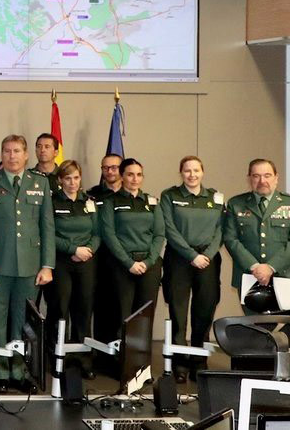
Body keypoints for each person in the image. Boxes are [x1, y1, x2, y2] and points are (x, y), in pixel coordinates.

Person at [0, 135, 54, 392]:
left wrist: (47, 265)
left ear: (26, 155)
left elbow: (47, 227)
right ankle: (0, 372)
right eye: (6, 151)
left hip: (30, 267)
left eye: (17, 151)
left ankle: (19, 371)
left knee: (23, 322)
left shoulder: (40, 184)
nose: (11, 156)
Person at [160, 155, 222, 382]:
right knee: (178, 313)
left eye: (196, 170)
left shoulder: (215, 198)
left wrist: (206, 255)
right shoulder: (170, 196)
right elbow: (169, 228)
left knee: (204, 311)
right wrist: (191, 255)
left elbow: (220, 231)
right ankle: (180, 364)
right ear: (181, 173)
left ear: (203, 172)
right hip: (179, 259)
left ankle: (199, 362)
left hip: (207, 260)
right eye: (187, 171)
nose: (192, 175)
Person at [101, 158, 165, 331]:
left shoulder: (151, 202)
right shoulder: (110, 202)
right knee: (121, 314)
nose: (135, 179)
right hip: (121, 265)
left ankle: (141, 357)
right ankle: (121, 356)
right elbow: (109, 235)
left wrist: (149, 261)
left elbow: (159, 234)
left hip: (148, 265)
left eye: (139, 175)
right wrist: (129, 263)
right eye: (130, 174)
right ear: (122, 176)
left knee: (145, 314)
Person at [224, 158, 290, 314]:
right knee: (254, 327)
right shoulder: (236, 203)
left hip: (283, 274)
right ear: (249, 178)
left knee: (284, 327)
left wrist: (271, 267)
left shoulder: (288, 203)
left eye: (267, 175)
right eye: (256, 176)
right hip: (249, 275)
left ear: (276, 177)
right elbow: (230, 239)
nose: (262, 181)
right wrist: (255, 266)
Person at [50, 160, 98, 372]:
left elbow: (98, 233)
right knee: (59, 308)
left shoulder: (88, 202)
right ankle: (57, 355)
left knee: (84, 308)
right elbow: (48, 234)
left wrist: (88, 250)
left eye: (76, 178)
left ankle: (82, 357)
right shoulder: (52, 202)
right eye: (67, 178)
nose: (72, 182)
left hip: (86, 261)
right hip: (61, 261)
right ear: (60, 180)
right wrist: (72, 249)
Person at [88, 154, 124, 345]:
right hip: (99, 258)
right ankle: (101, 350)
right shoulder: (91, 195)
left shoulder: (131, 194)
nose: (110, 171)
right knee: (101, 305)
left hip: (124, 260)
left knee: (122, 307)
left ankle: (120, 352)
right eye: (105, 168)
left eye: (114, 167)